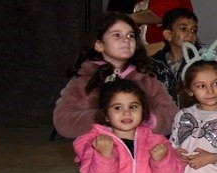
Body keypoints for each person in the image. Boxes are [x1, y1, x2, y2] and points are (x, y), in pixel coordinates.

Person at [54, 12, 177, 141]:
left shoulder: (146, 78)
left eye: (130, 35)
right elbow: (62, 120)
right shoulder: (85, 79)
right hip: (101, 155)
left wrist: (146, 119)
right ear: (99, 45)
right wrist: (103, 119)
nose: (126, 40)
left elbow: (171, 113)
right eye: (116, 35)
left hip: (141, 153)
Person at [151, 8, 199, 103]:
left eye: (194, 30)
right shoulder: (152, 64)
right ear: (168, 35)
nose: (190, 34)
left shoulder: (201, 63)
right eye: (183, 28)